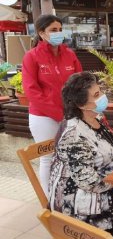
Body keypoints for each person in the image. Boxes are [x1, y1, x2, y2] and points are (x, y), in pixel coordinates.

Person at [49, 72, 113, 239]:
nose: (103, 97)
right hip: (77, 194)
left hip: (102, 180)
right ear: (80, 104)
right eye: (96, 95)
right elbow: (87, 182)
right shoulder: (73, 134)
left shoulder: (96, 118)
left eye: (100, 91)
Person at [22, 14, 82, 195]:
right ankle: (50, 199)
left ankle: (69, 195)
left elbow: (81, 83)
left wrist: (77, 109)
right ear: (41, 33)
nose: (58, 33)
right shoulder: (32, 57)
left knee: (72, 155)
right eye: (53, 30)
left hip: (71, 115)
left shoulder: (70, 55)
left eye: (60, 29)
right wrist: (59, 113)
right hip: (43, 117)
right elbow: (32, 91)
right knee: (48, 159)